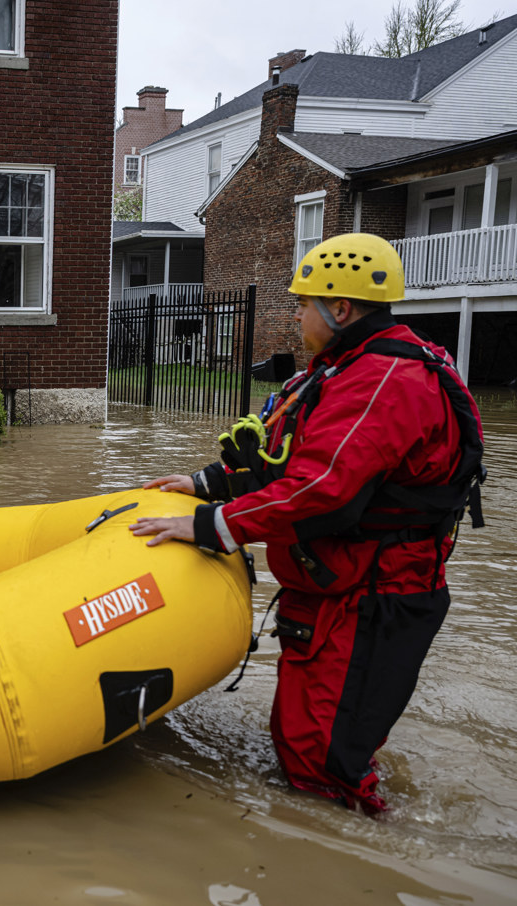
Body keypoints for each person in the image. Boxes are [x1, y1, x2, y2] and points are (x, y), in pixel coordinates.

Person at [129, 232, 484, 816]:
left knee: (322, 767)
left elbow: (321, 491)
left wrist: (211, 526)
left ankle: (361, 859)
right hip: (335, 589)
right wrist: (204, 485)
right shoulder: (341, 371)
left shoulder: (384, 382)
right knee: (301, 747)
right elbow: (282, 453)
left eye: (302, 303)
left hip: (373, 596)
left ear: (339, 309)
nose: (295, 316)